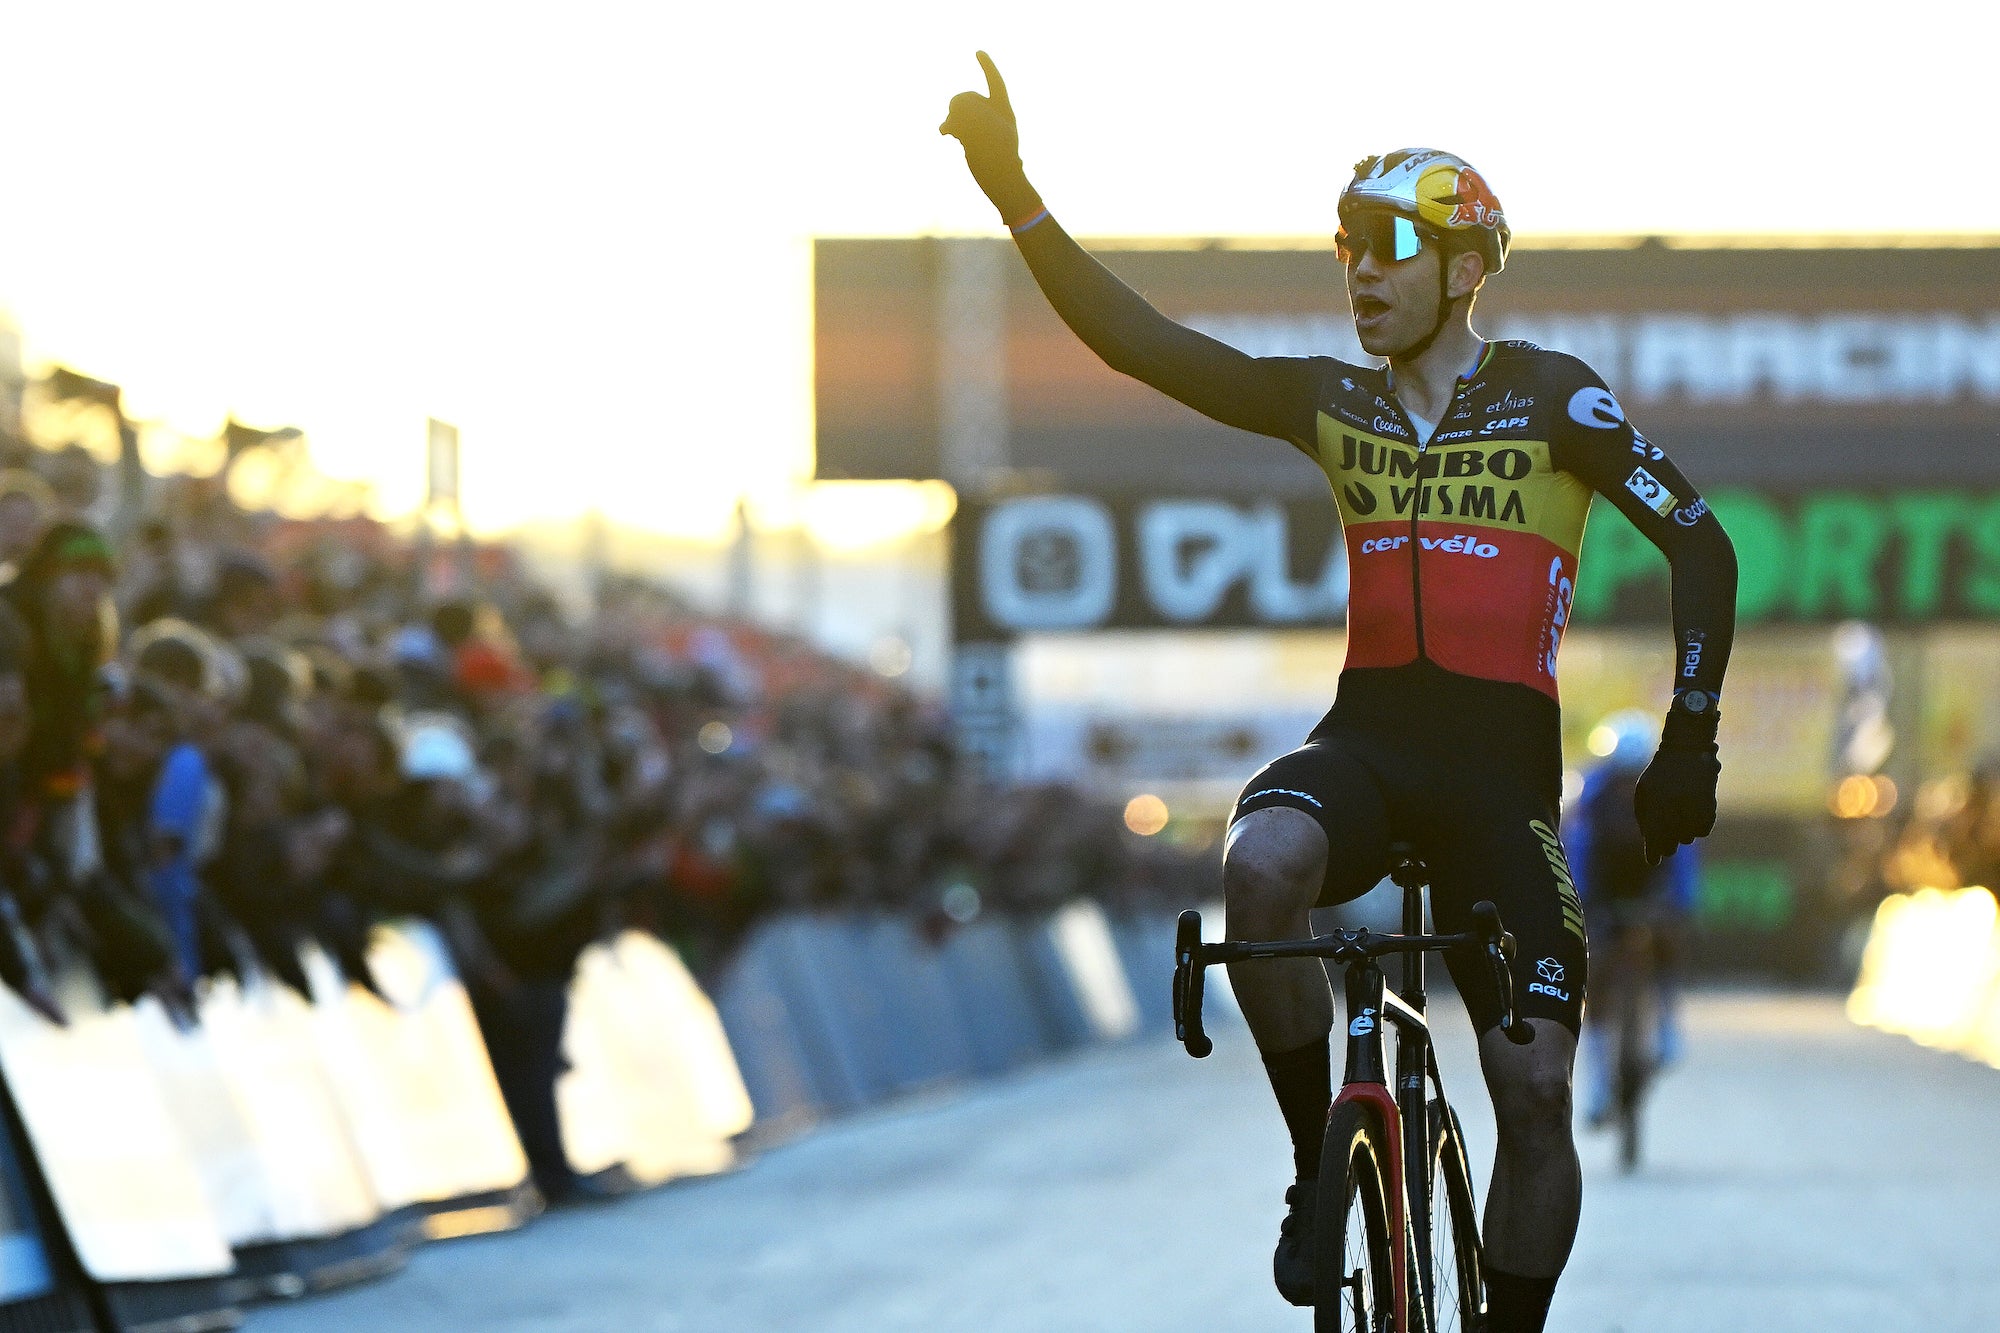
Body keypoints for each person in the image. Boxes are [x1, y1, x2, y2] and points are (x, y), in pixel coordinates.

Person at [943, 54, 1738, 1331]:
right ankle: (1320, 1168)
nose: (1360, 274)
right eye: (1344, 251)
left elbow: (1699, 544)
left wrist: (1688, 736)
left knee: (1532, 1093)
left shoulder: (1551, 396)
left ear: (1463, 267)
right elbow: (1143, 346)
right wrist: (1015, 193)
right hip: (1361, 743)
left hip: (1497, 781)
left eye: (1388, 248)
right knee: (1259, 871)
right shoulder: (1331, 404)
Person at [1568, 710, 1697, 1125]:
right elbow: (1578, 853)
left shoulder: (1668, 794)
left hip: (1650, 887)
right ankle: (1599, 1083)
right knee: (1595, 972)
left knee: (1670, 934)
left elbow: (1683, 856)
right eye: (1621, 777)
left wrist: (1676, 903)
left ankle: (1667, 1024)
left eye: (1635, 776)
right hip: (1604, 891)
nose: (1628, 787)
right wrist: (1583, 904)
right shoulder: (1589, 799)